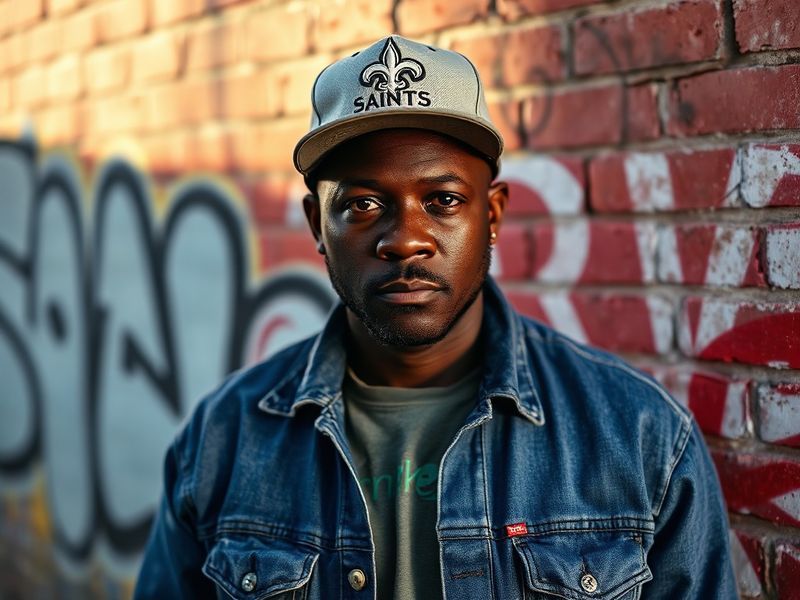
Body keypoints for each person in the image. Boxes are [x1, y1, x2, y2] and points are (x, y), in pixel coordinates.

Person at [134, 35, 737, 599]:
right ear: (318, 224)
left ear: (492, 215)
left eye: (443, 200)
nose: (405, 240)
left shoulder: (640, 437)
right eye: (362, 204)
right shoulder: (222, 440)